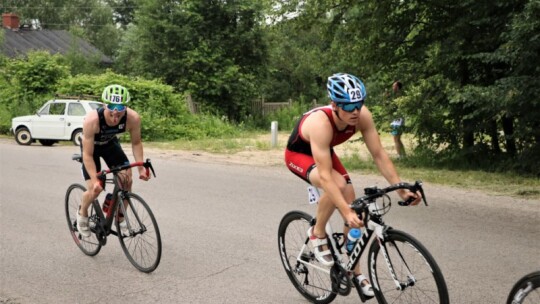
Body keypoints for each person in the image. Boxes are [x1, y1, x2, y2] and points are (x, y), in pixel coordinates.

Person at [284, 73, 421, 297]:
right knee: (337, 186)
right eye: (348, 106)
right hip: (299, 154)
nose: (355, 111)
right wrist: (345, 212)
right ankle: (317, 233)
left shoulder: (362, 116)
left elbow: (379, 155)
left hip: (324, 151)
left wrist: (402, 189)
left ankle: (354, 271)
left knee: (354, 204)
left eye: (359, 104)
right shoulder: (321, 124)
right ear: (334, 105)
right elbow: (327, 178)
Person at [77, 84, 150, 238]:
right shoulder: (92, 120)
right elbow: (88, 155)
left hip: (110, 145)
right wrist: (96, 180)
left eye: (120, 107)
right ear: (104, 105)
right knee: (95, 190)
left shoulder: (133, 118)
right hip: (92, 150)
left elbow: (136, 143)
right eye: (111, 106)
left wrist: (141, 168)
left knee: (126, 180)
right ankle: (82, 214)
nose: (116, 112)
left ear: (126, 107)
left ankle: (120, 218)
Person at [389, 80, 406, 158]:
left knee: (396, 139)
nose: (393, 87)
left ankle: (400, 156)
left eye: (394, 86)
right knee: (398, 139)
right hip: (399, 120)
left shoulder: (399, 97)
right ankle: (403, 155)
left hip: (397, 121)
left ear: (397, 87)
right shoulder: (400, 96)